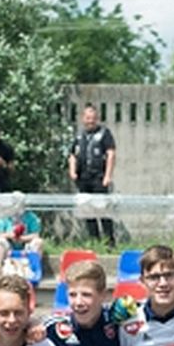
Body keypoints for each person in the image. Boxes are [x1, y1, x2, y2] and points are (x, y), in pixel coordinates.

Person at [68, 104, 117, 247]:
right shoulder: (79, 136)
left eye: (93, 118)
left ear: (97, 119)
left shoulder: (104, 133)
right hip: (83, 179)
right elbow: (72, 155)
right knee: (88, 211)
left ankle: (109, 242)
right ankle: (94, 241)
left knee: (103, 210)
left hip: (99, 178)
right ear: (83, 118)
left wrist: (108, 176)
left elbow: (111, 154)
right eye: (88, 118)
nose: (90, 121)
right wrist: (72, 171)